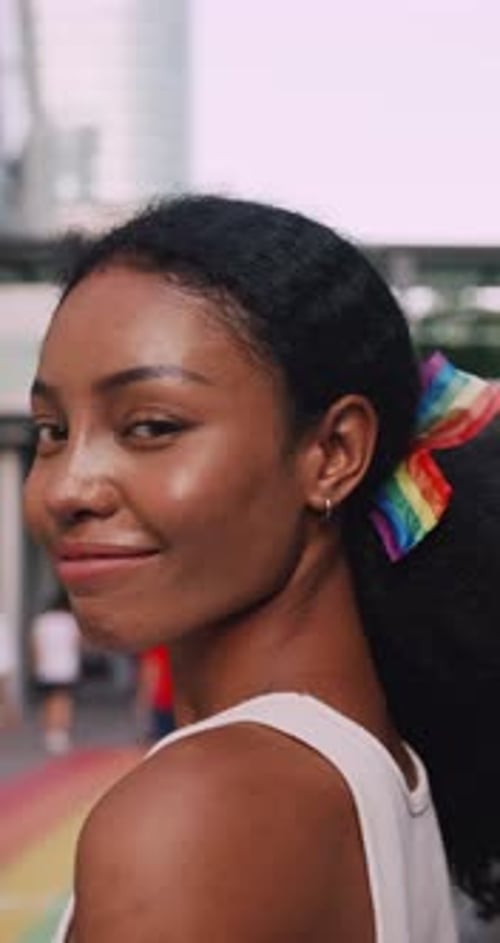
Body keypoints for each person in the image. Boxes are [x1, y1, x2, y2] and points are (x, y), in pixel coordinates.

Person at [23, 194, 500, 942]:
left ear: (334, 454)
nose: (64, 488)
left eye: (151, 425)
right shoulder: (379, 765)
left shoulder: (200, 813)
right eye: (51, 430)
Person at [31, 587, 81, 754]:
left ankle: (49, 734)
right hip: (66, 667)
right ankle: (60, 734)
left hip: (46, 667)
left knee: (48, 702)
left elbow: (35, 647)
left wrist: (36, 667)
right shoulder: (71, 621)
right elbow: (77, 644)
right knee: (63, 702)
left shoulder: (41, 621)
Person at [135, 645, 175, 742]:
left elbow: (150, 672)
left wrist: (142, 704)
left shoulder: (156, 641)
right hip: (177, 701)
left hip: (164, 702)